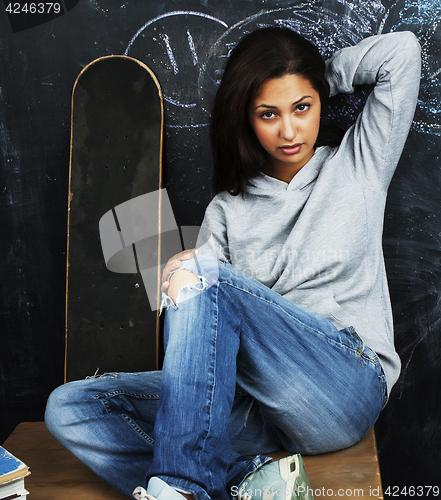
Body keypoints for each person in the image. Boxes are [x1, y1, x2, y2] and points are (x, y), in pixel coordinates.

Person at [45, 27, 421, 500]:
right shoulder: (226, 210)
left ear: (319, 103)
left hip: (343, 388)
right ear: (246, 117)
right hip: (260, 411)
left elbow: (401, 53)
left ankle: (183, 487)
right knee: (71, 405)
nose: (289, 130)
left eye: (302, 107)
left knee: (203, 273)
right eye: (269, 113)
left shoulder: (358, 164)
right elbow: (203, 329)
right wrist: (184, 278)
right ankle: (243, 480)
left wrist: (316, 76)